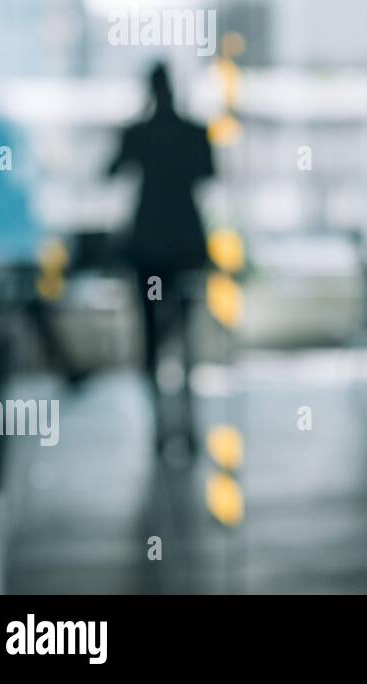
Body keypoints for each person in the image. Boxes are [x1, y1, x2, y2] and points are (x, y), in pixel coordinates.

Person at [108, 62, 215, 459]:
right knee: (183, 335)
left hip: (151, 249)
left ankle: (160, 427)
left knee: (153, 338)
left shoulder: (139, 134)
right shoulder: (192, 133)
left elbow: (112, 171)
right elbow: (207, 173)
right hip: (185, 247)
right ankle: (185, 422)